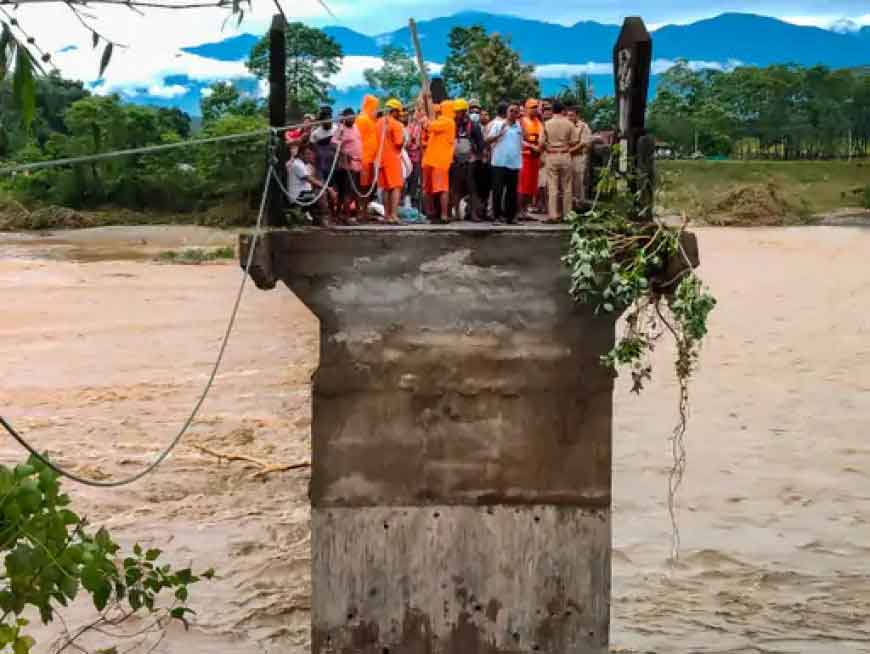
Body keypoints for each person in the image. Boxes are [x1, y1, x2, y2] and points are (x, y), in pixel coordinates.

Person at [541, 100, 579, 223]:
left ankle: (553, 215)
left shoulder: (547, 124)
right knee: (567, 187)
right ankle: (567, 215)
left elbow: (541, 142)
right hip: (565, 155)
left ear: (553, 111)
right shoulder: (569, 124)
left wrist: (548, 146)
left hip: (551, 155)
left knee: (552, 187)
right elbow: (575, 141)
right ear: (563, 111)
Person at [486, 102, 523, 224]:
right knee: (498, 191)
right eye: (511, 111)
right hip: (499, 163)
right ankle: (496, 217)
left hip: (514, 163)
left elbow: (521, 142)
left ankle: (510, 217)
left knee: (512, 192)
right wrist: (498, 134)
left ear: (518, 114)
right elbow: (487, 140)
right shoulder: (498, 124)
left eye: (516, 111)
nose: (513, 113)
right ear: (506, 112)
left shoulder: (519, 126)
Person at [449, 98, 485, 221]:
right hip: (455, 160)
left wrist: (477, 156)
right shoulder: (452, 124)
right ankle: (456, 213)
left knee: (472, 187)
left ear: (464, 111)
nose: (457, 114)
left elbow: (480, 143)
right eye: (456, 112)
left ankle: (473, 213)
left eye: (459, 111)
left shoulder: (473, 125)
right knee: (455, 187)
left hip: (470, 161)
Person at [421, 99, 456, 224]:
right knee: (428, 189)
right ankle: (431, 214)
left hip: (440, 161)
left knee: (441, 189)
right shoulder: (441, 121)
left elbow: (430, 126)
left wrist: (425, 119)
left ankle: (444, 215)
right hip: (430, 160)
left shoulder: (448, 122)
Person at [286, 145, 336, 226]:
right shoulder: (297, 165)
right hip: (299, 197)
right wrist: (328, 189)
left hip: (304, 195)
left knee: (319, 192)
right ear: (301, 154)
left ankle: (317, 218)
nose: (310, 156)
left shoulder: (304, 165)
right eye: (307, 154)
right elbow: (311, 180)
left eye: (311, 154)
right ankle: (323, 219)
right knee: (320, 193)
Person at [376, 98, 406, 224]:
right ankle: (394, 216)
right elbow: (398, 143)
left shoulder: (378, 122)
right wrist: (404, 139)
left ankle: (387, 216)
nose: (400, 115)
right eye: (398, 112)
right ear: (394, 111)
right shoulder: (396, 124)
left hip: (380, 159)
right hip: (392, 158)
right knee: (396, 187)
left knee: (385, 188)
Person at [332, 107, 363, 224]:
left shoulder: (356, 127)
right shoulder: (341, 129)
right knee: (346, 191)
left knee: (355, 191)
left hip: (358, 164)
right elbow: (333, 143)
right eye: (350, 117)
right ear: (345, 118)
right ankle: (346, 216)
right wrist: (343, 153)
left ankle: (350, 214)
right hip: (346, 166)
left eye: (353, 117)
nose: (352, 119)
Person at [355, 94, 381, 220]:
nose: (377, 110)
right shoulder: (362, 119)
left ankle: (365, 211)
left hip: (371, 159)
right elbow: (357, 139)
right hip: (363, 159)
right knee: (362, 187)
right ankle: (360, 212)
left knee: (368, 187)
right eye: (376, 107)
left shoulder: (371, 120)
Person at [518, 98, 543, 219]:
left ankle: (525, 210)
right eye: (533, 107)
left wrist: (539, 147)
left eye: (536, 107)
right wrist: (531, 146)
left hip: (535, 158)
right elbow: (518, 138)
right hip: (524, 157)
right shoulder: (521, 121)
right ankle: (519, 210)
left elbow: (542, 138)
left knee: (532, 186)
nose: (535, 109)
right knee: (522, 186)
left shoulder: (539, 122)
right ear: (526, 109)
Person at [469, 98, 491, 220]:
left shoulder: (490, 127)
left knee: (484, 188)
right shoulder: (467, 126)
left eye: (477, 112)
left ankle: (483, 211)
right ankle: (472, 212)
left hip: (486, 162)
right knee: (473, 188)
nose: (475, 114)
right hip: (472, 162)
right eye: (472, 111)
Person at [567, 107, 593, 205]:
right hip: (567, 157)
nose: (569, 118)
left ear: (577, 116)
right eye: (568, 115)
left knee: (579, 179)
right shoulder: (566, 125)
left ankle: (580, 202)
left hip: (578, 157)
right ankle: (570, 202)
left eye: (571, 115)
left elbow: (583, 143)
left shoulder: (583, 126)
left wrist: (570, 150)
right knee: (569, 180)